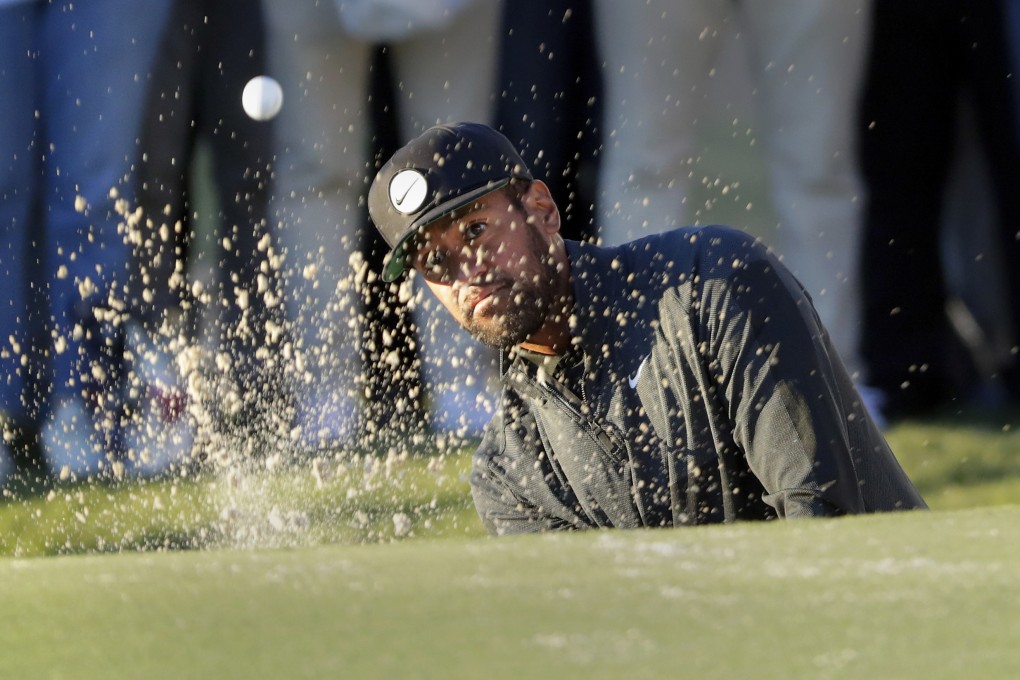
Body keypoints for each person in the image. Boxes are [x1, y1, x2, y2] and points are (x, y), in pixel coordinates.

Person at [367, 122, 927, 535]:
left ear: (541, 209)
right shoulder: (509, 471)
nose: (468, 271)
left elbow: (825, 526)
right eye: (435, 264)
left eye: (476, 230)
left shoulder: (712, 283)